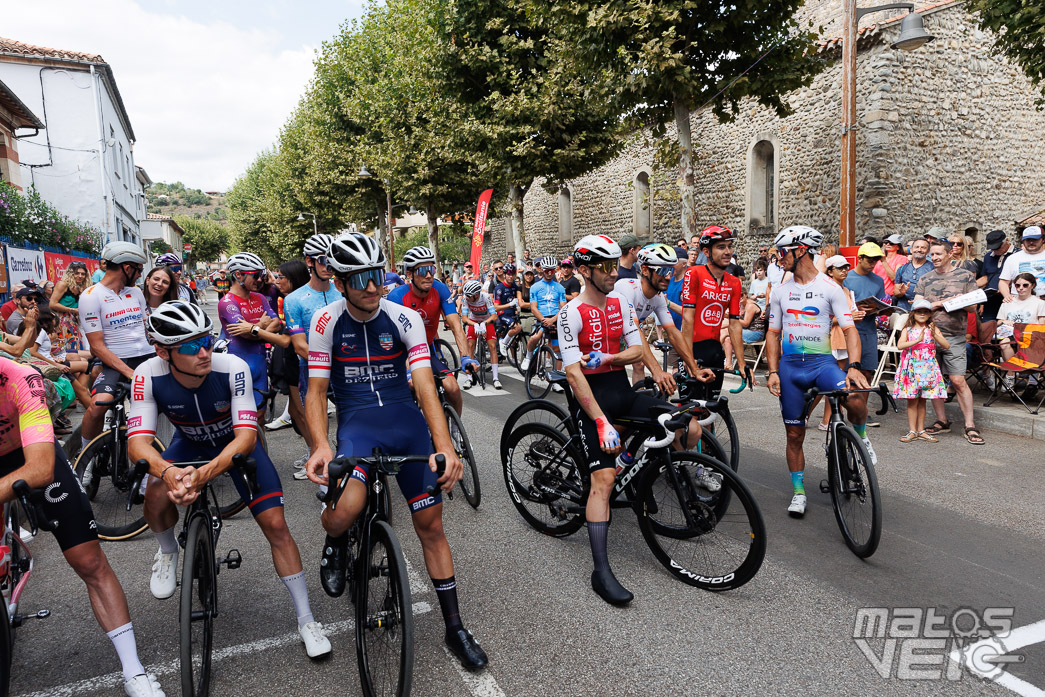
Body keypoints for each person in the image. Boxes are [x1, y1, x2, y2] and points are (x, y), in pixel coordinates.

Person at [302, 233, 487, 669]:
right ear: (342, 282)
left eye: (377, 276)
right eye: (361, 278)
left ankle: (455, 627)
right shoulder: (326, 321)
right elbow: (315, 390)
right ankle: (336, 540)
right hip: (358, 426)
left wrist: (444, 445)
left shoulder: (403, 317)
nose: (372, 286)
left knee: (431, 525)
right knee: (346, 510)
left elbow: (424, 383)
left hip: (405, 424)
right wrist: (321, 445)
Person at [128, 301, 330, 659]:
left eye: (206, 340)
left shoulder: (231, 366)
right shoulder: (147, 374)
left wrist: (203, 475)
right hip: (187, 444)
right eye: (191, 347)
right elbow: (138, 444)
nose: (204, 351)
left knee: (276, 526)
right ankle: (168, 550)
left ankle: (307, 619)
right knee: (155, 491)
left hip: (235, 446)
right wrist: (169, 472)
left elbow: (246, 438)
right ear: (163, 351)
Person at [0, 356, 168, 696]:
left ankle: (134, 670)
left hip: (30, 454)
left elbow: (40, 470)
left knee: (89, 561)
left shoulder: (18, 378)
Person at [558, 234, 706, 606]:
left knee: (688, 426)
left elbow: (638, 348)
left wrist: (608, 360)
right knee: (603, 480)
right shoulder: (570, 313)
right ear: (584, 271)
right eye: (605, 267)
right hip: (588, 399)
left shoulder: (620, 304)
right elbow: (574, 375)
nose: (613, 273)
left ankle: (633, 464)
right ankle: (600, 571)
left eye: (614, 265)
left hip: (618, 389)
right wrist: (600, 422)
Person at [765, 225, 871, 518]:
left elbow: (850, 329)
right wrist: (772, 371)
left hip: (822, 364)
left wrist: (853, 366)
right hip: (790, 368)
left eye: (783, 252)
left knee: (856, 400)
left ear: (801, 251)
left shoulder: (830, 287)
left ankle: (860, 437)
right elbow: (773, 334)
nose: (779, 257)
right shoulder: (780, 291)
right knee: (794, 434)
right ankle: (799, 492)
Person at [78, 242, 153, 454]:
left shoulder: (136, 293)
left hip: (145, 357)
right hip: (115, 361)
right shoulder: (91, 296)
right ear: (127, 268)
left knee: (159, 405)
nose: (140, 275)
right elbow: (97, 347)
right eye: (138, 269)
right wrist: (130, 373)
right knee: (98, 406)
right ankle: (87, 457)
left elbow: (147, 329)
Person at [387, 246, 476, 408]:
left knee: (453, 388)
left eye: (432, 269)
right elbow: (394, 339)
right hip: (401, 353)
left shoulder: (440, 289)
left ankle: (454, 431)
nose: (429, 275)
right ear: (409, 274)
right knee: (418, 390)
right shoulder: (396, 297)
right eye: (422, 270)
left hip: (426, 349)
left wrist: (465, 357)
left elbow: (456, 326)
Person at [914, 239, 983, 444]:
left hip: (954, 336)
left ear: (949, 255)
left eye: (938, 254)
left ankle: (970, 425)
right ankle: (942, 421)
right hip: (929, 336)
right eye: (932, 255)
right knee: (934, 380)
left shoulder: (965, 276)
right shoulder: (925, 278)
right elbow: (918, 307)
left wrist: (963, 301)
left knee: (957, 380)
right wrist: (940, 303)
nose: (934, 258)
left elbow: (973, 309)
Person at [283, 234, 338, 473]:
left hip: (346, 364)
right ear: (309, 261)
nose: (328, 266)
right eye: (323, 260)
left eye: (333, 260)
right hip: (313, 367)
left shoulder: (343, 291)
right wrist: (331, 363)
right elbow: (299, 345)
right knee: (320, 426)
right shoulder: (294, 299)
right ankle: (322, 465)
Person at [613, 243, 701, 389]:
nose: (668, 276)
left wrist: (694, 367)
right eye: (662, 270)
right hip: (601, 340)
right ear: (645, 270)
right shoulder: (626, 287)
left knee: (639, 364)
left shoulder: (658, 297)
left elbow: (673, 333)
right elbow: (635, 330)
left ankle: (638, 396)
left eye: (670, 270)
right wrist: (657, 371)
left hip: (623, 335)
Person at [680, 226, 751, 399]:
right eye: (721, 247)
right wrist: (688, 359)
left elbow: (734, 324)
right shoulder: (694, 273)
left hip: (715, 350)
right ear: (706, 251)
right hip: (694, 349)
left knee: (711, 410)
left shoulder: (734, 282)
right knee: (689, 414)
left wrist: (741, 363)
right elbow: (688, 319)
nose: (727, 251)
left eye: (729, 246)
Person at [217, 253, 289, 419]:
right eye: (256, 275)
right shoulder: (227, 303)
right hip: (237, 365)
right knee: (240, 419)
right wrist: (262, 326)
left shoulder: (260, 297)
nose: (260, 280)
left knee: (260, 417)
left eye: (262, 275)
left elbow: (276, 324)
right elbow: (246, 335)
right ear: (238, 274)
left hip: (259, 365)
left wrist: (254, 329)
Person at [892, 300, 949, 442]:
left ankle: (921, 430)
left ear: (930, 314)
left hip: (927, 369)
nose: (922, 314)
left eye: (925, 311)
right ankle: (912, 430)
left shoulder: (933, 328)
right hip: (911, 368)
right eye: (918, 311)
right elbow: (900, 345)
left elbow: (946, 345)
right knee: (912, 400)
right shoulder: (908, 329)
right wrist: (917, 340)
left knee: (923, 400)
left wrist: (934, 334)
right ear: (913, 313)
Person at [265, 259, 311, 433]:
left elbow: (286, 340)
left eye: (281, 277)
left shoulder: (294, 300)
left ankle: (314, 452)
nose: (277, 281)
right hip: (292, 361)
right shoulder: (296, 297)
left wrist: (255, 330)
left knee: (302, 413)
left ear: (294, 278)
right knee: (294, 411)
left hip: (298, 362)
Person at [844, 242, 889, 399]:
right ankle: (845, 409)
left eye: (875, 260)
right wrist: (854, 308)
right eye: (869, 260)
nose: (872, 264)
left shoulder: (878, 280)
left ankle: (862, 410)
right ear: (860, 258)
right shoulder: (846, 277)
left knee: (867, 372)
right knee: (846, 370)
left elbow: (882, 302)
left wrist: (881, 309)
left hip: (869, 329)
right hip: (849, 329)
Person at [520, 257, 567, 391]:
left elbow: (563, 307)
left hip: (555, 318)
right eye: (547, 270)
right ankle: (528, 357)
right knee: (534, 338)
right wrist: (543, 320)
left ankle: (556, 381)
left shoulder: (559, 287)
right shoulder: (535, 287)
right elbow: (533, 308)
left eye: (552, 270)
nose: (549, 272)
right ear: (542, 270)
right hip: (541, 318)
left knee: (557, 349)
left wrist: (552, 320)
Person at [460, 279, 503, 389]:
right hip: (473, 321)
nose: (467, 298)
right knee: (470, 345)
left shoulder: (485, 297)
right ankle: (469, 378)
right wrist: (474, 325)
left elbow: (494, 316)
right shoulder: (465, 298)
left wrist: (484, 323)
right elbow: (464, 318)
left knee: (492, 346)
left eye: (469, 296)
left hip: (486, 321)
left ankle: (495, 378)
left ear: (476, 294)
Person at [50, 261, 88, 353]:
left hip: (74, 321)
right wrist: (72, 310)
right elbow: (52, 304)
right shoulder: (62, 284)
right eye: (77, 273)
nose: (80, 276)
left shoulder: (80, 287)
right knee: (66, 349)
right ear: (71, 274)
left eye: (83, 274)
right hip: (62, 321)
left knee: (76, 347)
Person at [1000, 225, 1045, 302]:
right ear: (1023, 241)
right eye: (1028, 240)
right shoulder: (1012, 258)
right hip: (1020, 303)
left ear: (1043, 240)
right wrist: (1007, 296)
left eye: (1035, 239)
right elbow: (1003, 282)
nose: (1031, 242)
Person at [978, 229, 1015, 321]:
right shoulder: (988, 256)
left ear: (1006, 241)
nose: (995, 250)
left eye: (998, 247)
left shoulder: (1017, 255)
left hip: (1010, 299)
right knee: (987, 327)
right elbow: (986, 277)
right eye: (992, 248)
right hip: (990, 300)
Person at [893, 238, 933, 312]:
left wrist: (921, 299)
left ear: (928, 252)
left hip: (923, 311)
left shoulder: (933, 269)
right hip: (902, 310)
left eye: (923, 248)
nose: (919, 250)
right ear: (911, 250)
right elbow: (896, 292)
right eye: (917, 247)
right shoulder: (902, 268)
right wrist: (901, 293)